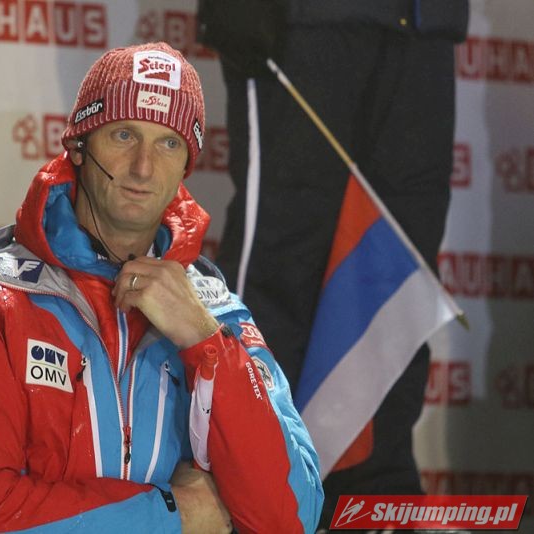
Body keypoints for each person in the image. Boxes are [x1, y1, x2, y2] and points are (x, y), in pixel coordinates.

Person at [0, 42, 323, 533]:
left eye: (169, 143)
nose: (143, 167)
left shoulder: (216, 314)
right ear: (78, 146)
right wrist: (174, 516)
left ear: (186, 165)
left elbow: (292, 517)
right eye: (124, 134)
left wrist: (204, 343)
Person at [197, 0, 469, 529]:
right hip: (304, 20)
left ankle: (376, 493)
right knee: (281, 250)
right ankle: (252, 485)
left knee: (398, 260)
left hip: (425, 24)